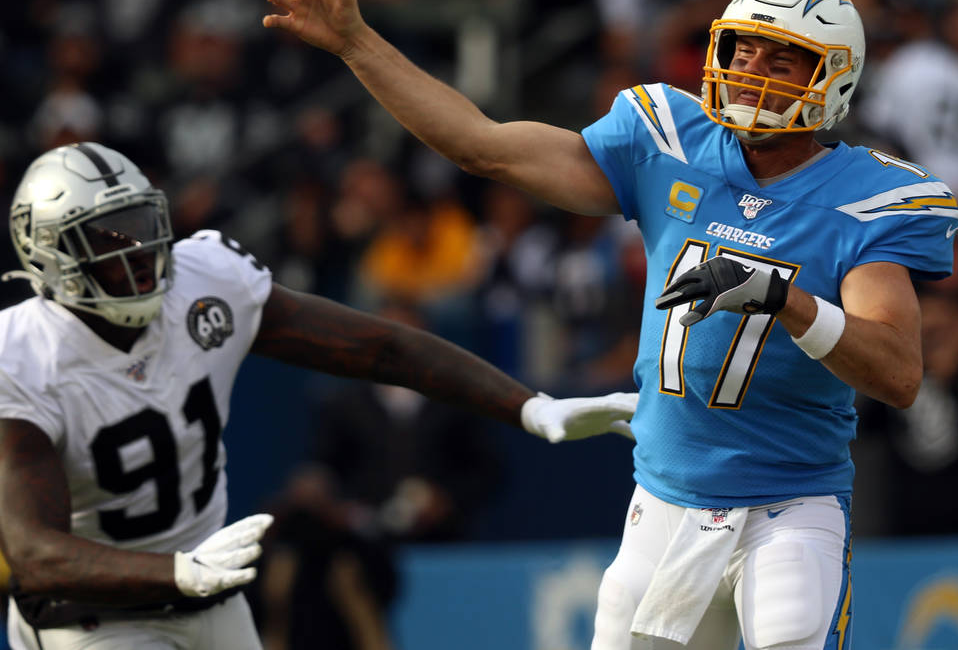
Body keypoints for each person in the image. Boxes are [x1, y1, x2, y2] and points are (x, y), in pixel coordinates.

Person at [263, 0, 958, 650]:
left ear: (833, 80)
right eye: (744, 53)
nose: (752, 75)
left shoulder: (866, 199)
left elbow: (898, 374)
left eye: (781, 61)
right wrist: (356, 43)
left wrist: (783, 299)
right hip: (664, 502)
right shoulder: (666, 137)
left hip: (791, 507)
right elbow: (484, 146)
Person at [0, 141, 638, 650]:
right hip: (92, 617)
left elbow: (385, 348)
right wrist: (176, 572)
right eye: (107, 243)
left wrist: (528, 405)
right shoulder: (23, 355)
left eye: (139, 227)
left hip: (206, 591)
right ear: (52, 259)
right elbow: (33, 554)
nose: (139, 254)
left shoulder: (203, 280)